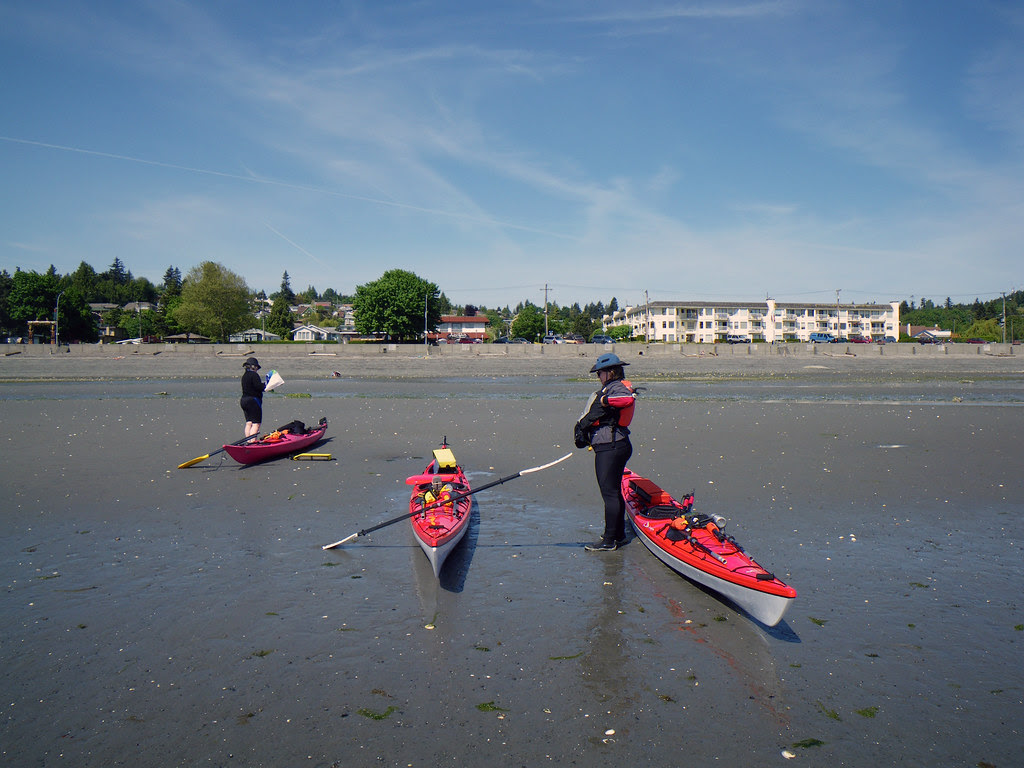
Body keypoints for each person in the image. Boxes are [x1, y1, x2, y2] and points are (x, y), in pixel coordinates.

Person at [575, 353, 636, 552]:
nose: (598, 377)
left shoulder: (616, 387)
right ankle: (618, 535)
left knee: (609, 494)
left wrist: (604, 401)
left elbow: (626, 399)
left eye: (599, 373)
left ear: (610, 372)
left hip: (611, 446)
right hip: (615, 445)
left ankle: (609, 540)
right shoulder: (612, 387)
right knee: (613, 492)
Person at [240, 357, 266, 437]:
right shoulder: (254, 375)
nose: (257, 369)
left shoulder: (244, 376)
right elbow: (258, 387)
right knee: (256, 423)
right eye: (256, 367)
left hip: (243, 400)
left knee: (249, 423)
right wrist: (266, 386)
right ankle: (253, 442)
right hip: (253, 401)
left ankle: (248, 441)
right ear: (253, 366)